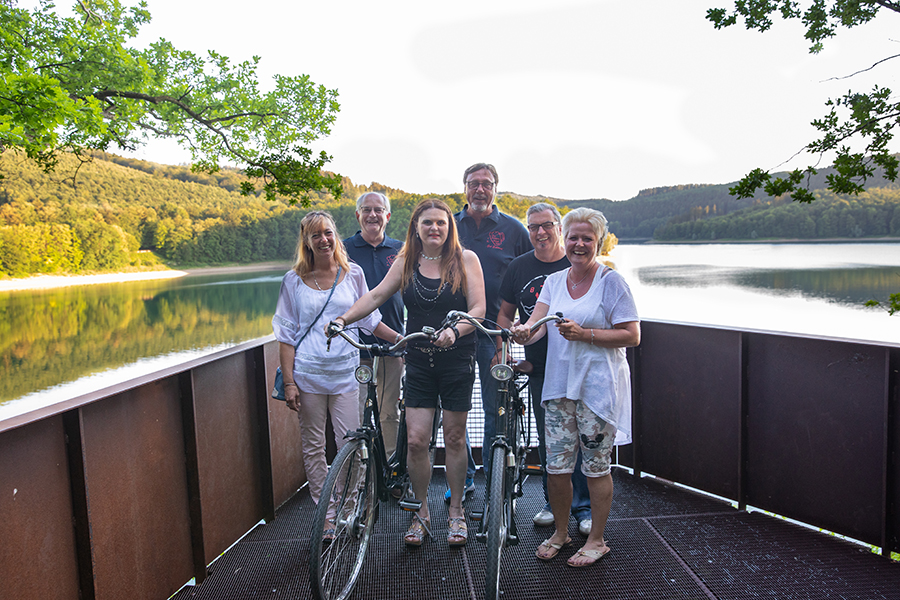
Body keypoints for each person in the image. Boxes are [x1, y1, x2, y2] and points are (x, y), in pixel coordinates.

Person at [331, 199, 486, 547]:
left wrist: (456, 330)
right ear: (415, 226)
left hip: (457, 358)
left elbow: (478, 307)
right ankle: (421, 513)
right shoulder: (406, 262)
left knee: (455, 438)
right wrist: (343, 319)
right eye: (427, 223)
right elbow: (374, 296)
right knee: (416, 440)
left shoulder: (466, 259)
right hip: (417, 359)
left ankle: (457, 512)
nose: (434, 229)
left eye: (441, 223)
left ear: (450, 228)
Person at [511, 207, 640, 568]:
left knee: (596, 467)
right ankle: (561, 532)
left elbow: (632, 334)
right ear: (564, 239)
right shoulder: (554, 281)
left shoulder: (610, 281)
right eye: (573, 237)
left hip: (598, 391)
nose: (579, 244)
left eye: (587, 238)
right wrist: (524, 330)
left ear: (597, 242)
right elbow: (537, 324)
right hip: (558, 389)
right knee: (556, 468)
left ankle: (597, 540)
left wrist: (586, 335)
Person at [272, 211, 400, 540]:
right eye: (316, 235)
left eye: (328, 233)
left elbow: (370, 321)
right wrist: (289, 382)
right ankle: (326, 515)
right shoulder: (293, 280)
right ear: (307, 242)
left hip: (346, 375)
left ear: (335, 236)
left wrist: (401, 341)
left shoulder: (352, 273)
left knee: (353, 444)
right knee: (314, 447)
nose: (324, 240)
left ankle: (350, 509)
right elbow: (286, 336)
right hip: (308, 378)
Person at [497, 203, 592, 536]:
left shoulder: (577, 264)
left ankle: (583, 508)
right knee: (552, 441)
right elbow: (507, 316)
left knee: (583, 439)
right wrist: (502, 350)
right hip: (540, 368)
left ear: (559, 229)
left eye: (547, 225)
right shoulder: (519, 268)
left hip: (580, 367)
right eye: (533, 227)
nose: (540, 232)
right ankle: (556, 505)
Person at [452, 162, 531, 500]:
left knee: (494, 407)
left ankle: (494, 480)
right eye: (474, 183)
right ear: (465, 188)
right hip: (454, 332)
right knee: (455, 408)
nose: (480, 189)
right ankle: (464, 476)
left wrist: (520, 324)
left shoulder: (514, 230)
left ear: (496, 188)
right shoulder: (449, 226)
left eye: (486, 183)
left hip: (495, 334)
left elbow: (529, 277)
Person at [343, 191, 405, 457]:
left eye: (378, 210)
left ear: (387, 216)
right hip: (354, 348)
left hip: (392, 346)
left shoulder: (401, 250)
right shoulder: (343, 250)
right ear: (358, 215)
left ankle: (390, 469)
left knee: (389, 412)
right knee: (359, 415)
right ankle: (364, 473)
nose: (372, 215)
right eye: (366, 210)